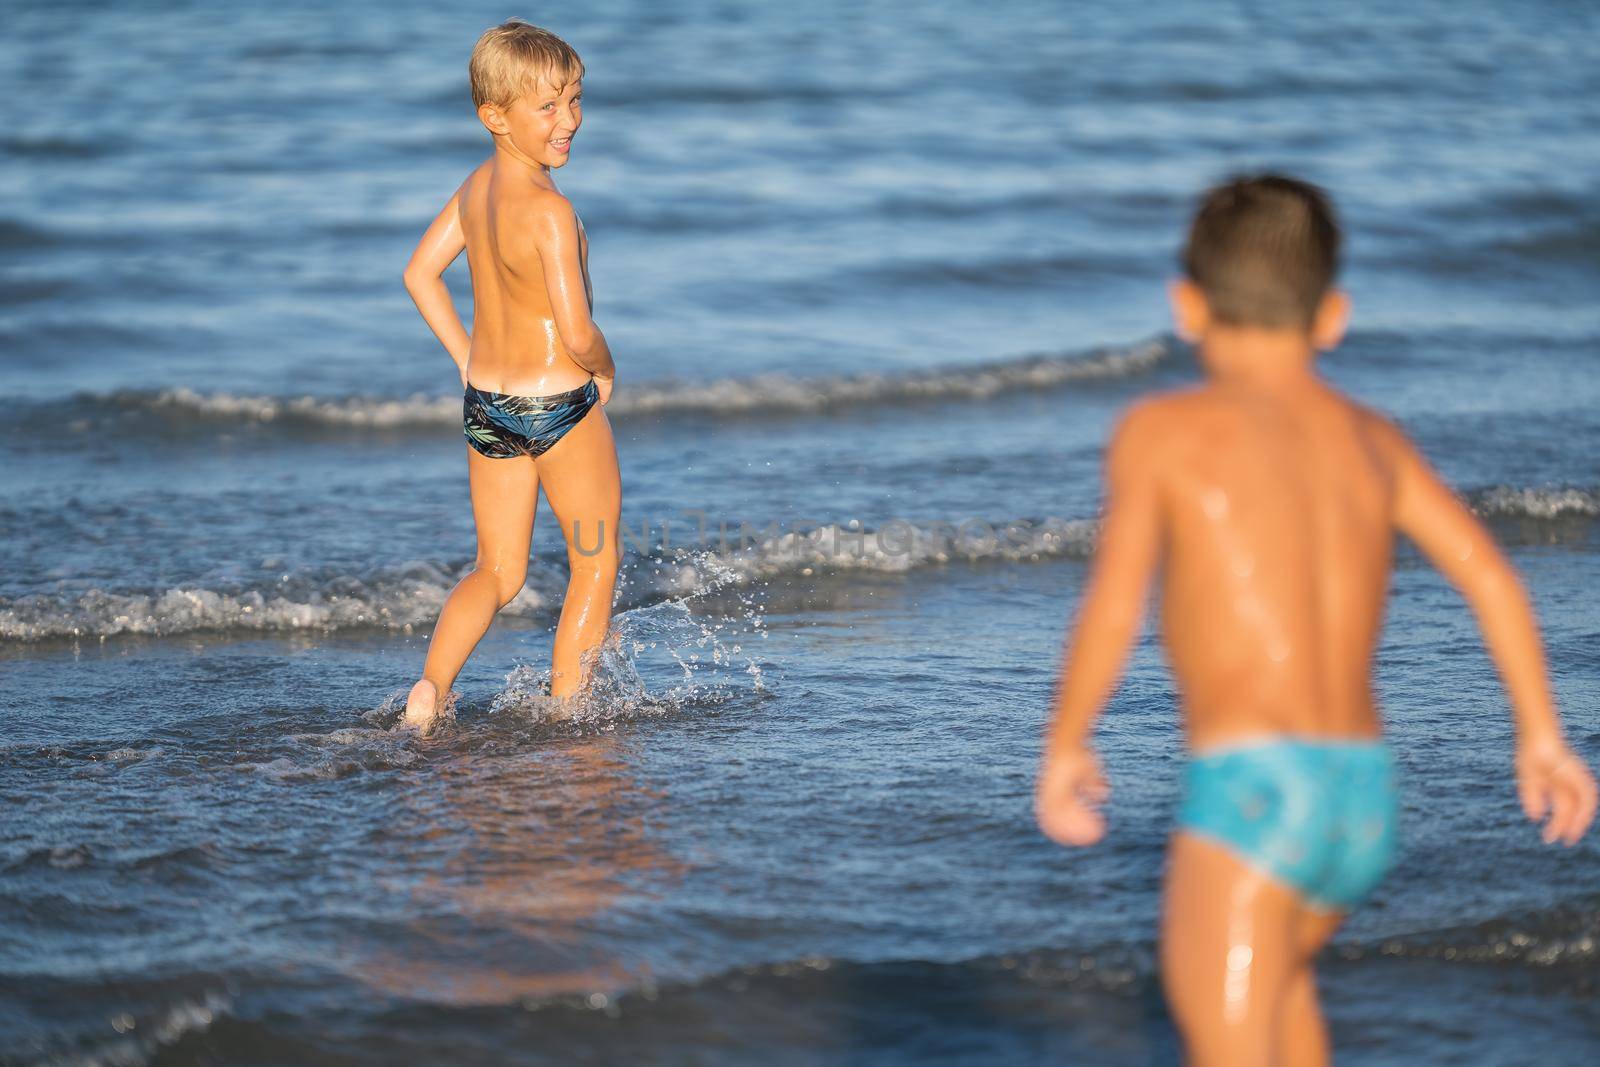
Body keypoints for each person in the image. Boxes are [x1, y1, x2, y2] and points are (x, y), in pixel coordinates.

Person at [1034, 174, 1596, 1066]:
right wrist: (1542, 739)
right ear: (1332, 316)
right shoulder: (1373, 438)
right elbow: (1494, 579)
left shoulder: (1162, 431)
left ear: (1187, 306)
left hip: (1255, 795)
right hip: (1361, 803)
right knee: (1283, 1008)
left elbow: (1113, 601)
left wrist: (1067, 741)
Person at [400, 19, 619, 732]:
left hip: (487, 405)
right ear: (495, 116)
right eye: (548, 108)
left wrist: (467, 356)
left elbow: (419, 274)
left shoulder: (473, 190)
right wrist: (605, 368)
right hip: (558, 404)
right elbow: (578, 327)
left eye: (575, 100)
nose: (570, 122)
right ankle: (568, 712)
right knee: (593, 560)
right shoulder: (550, 212)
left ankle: (430, 689)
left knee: (497, 571)